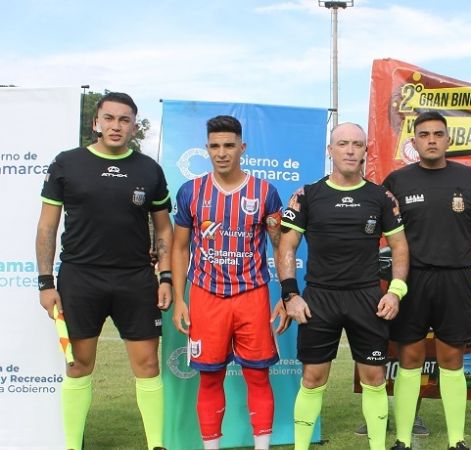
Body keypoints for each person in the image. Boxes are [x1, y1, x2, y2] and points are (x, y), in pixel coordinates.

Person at [36, 92, 173, 450]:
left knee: (147, 366)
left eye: (124, 120)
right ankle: (71, 445)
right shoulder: (67, 163)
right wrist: (45, 282)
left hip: (135, 279)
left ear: (134, 126)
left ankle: (155, 444)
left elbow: (163, 229)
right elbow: (47, 228)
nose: (116, 126)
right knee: (79, 365)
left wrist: (166, 276)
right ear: (96, 122)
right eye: (109, 118)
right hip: (80, 278)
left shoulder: (148, 169)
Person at [278, 122, 410, 450]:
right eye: (343, 144)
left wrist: (395, 291)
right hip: (319, 298)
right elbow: (286, 246)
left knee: (374, 378)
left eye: (357, 144)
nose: (350, 150)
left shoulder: (381, 196)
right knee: (312, 379)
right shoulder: (307, 195)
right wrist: (290, 294)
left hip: (366, 298)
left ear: (366, 150)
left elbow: (400, 248)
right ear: (330, 150)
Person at [171, 115, 286, 449]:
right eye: (215, 146)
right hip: (206, 295)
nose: (222, 153)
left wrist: (287, 292)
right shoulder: (191, 191)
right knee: (209, 377)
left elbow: (280, 247)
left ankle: (261, 446)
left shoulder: (265, 192)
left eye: (229, 146)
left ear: (242, 148)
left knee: (258, 375)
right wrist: (180, 298)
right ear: (207, 148)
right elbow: (179, 248)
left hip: (252, 294)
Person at [379, 111, 471, 450]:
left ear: (448, 140)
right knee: (409, 359)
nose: (431, 139)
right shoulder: (397, 182)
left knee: (452, 360)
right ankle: (402, 439)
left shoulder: (470, 178)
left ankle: (457, 440)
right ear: (413, 142)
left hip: (455, 278)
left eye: (437, 134)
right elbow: (388, 230)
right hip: (411, 281)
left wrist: (456, 235)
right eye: (424, 134)